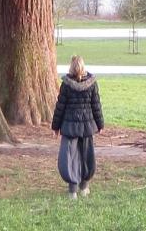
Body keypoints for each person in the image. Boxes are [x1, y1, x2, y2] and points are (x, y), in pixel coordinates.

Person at [51, 53, 104, 197]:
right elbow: (96, 106)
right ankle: (84, 187)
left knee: (70, 157)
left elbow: (60, 107)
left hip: (70, 127)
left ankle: (72, 190)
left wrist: (55, 127)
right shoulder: (92, 84)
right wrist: (100, 124)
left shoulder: (66, 85)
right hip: (87, 127)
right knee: (87, 156)